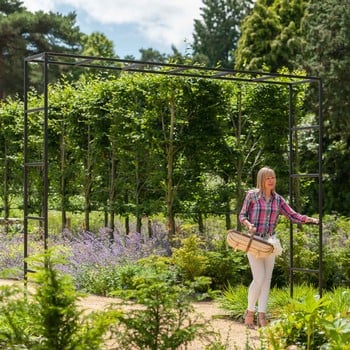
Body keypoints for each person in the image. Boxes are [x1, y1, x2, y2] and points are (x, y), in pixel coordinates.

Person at [239, 166, 318, 329]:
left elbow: (292, 215)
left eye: (273, 177)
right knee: (259, 278)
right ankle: (249, 313)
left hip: (270, 243)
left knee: (267, 280)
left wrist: (309, 219)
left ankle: (262, 315)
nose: (271, 181)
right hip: (254, 242)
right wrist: (248, 225)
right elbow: (242, 215)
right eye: (268, 178)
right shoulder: (252, 195)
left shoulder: (278, 200)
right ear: (262, 180)